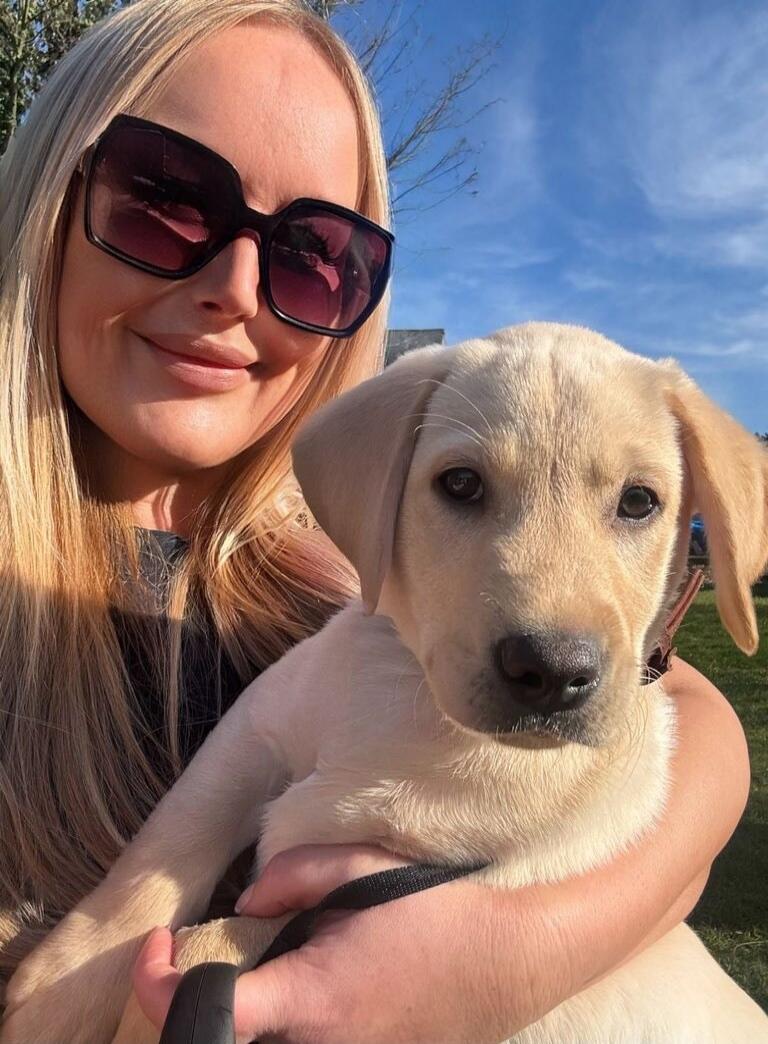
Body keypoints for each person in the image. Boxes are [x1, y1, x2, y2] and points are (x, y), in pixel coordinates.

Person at [0, 1, 750, 1041]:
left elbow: (692, 729)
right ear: (45, 193)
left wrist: (509, 955)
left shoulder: (340, 569)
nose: (235, 288)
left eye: (314, 251)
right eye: (164, 201)